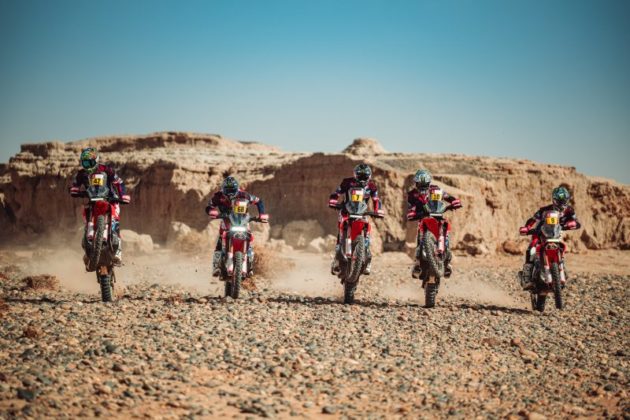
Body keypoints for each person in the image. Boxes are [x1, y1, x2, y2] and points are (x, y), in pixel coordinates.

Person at [69, 147, 130, 265]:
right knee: (86, 220)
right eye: (85, 163)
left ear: (96, 160)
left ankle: (118, 253)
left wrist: (122, 195)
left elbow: (119, 183)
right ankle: (87, 251)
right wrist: (75, 189)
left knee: (115, 223)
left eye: (90, 162)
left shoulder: (107, 170)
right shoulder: (81, 174)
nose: (88, 166)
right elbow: (75, 184)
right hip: (92, 200)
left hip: (110, 199)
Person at [518, 186, 581, 289]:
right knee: (532, 249)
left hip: (557, 234)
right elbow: (533, 219)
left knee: (562, 248)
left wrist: (571, 224)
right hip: (541, 233)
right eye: (559, 201)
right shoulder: (544, 210)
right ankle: (526, 277)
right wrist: (527, 227)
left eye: (564, 201)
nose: (561, 203)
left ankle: (562, 268)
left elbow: (576, 222)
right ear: (554, 200)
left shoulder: (569, 210)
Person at [328, 163, 385, 275]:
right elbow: (337, 192)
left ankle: (367, 258)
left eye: (365, 176)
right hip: (346, 211)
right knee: (341, 230)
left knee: (367, 230)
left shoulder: (372, 187)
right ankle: (337, 258)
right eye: (360, 176)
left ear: (369, 176)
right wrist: (333, 200)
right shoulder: (347, 182)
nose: (362, 178)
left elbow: (376, 200)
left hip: (361, 213)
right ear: (355, 175)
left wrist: (378, 210)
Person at [205, 176, 268, 276]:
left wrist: (262, 214)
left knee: (249, 237)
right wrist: (212, 212)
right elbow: (209, 206)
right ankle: (216, 266)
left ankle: (250, 264)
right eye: (227, 190)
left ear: (236, 188)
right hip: (226, 220)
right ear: (223, 189)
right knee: (221, 239)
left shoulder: (244, 195)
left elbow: (259, 201)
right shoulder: (218, 196)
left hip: (242, 220)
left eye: (232, 190)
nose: (230, 193)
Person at [406, 169, 462, 278]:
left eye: (424, 184)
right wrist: (412, 213)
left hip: (437, 216)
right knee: (420, 234)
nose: (422, 187)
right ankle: (418, 262)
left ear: (428, 183)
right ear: (416, 183)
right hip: (423, 218)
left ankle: (447, 261)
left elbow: (447, 197)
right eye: (420, 184)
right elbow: (411, 207)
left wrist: (454, 201)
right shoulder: (412, 194)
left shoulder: (436, 190)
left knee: (446, 227)